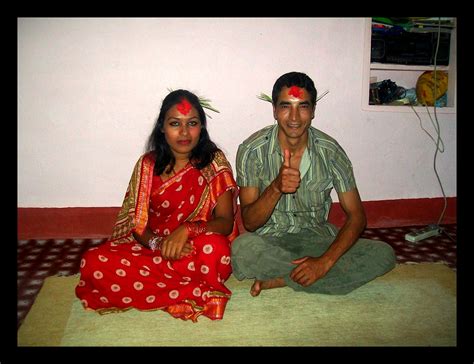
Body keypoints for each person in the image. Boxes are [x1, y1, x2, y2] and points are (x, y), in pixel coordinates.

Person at [76, 89, 239, 322]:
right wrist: (160, 243)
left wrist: (187, 231)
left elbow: (225, 222)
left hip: (195, 250)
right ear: (162, 127)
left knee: (216, 248)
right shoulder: (147, 165)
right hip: (155, 251)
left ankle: (169, 287)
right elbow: (138, 226)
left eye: (191, 123)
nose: (184, 132)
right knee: (92, 262)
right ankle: (194, 290)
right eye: (175, 123)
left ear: (201, 127)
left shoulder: (213, 161)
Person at [232, 71, 396, 297]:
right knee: (242, 250)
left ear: (313, 111)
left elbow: (357, 216)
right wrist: (276, 187)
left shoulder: (330, 151)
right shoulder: (252, 150)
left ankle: (283, 279)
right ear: (274, 111)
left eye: (303, 106)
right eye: (285, 106)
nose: (294, 117)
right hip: (270, 241)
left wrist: (324, 262)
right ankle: (303, 276)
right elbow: (249, 222)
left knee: (384, 254)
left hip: (317, 239)